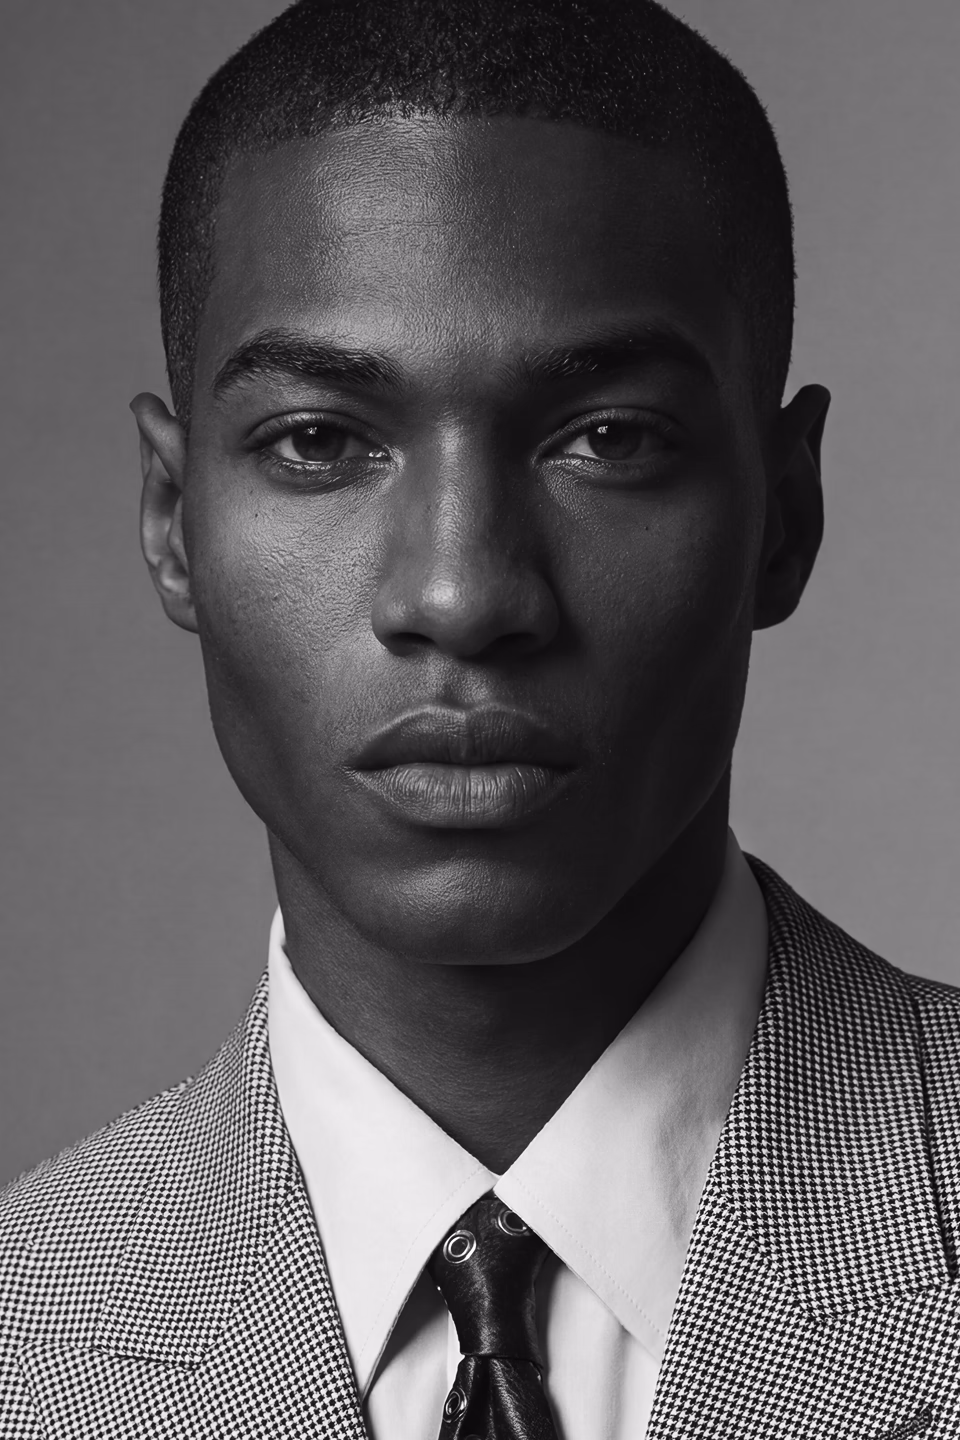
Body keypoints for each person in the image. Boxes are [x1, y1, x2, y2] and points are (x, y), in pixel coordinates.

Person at [2, 0, 957, 1435]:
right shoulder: (28, 1335)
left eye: (609, 439)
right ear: (172, 520)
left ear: (785, 513)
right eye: (320, 441)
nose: (462, 592)